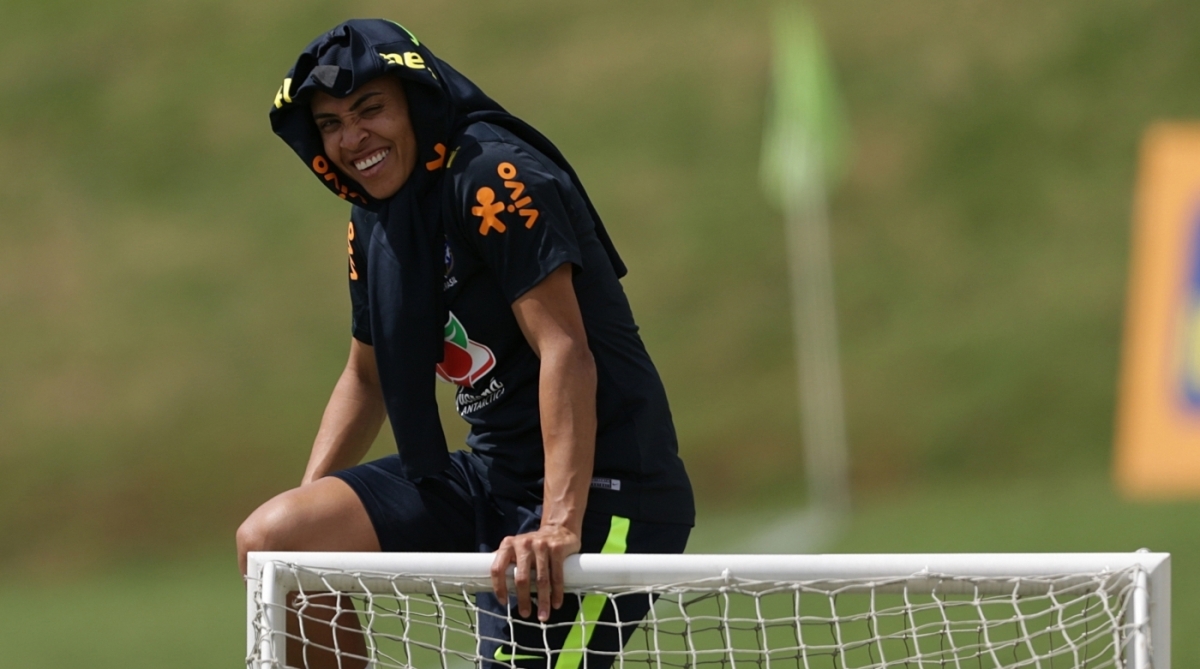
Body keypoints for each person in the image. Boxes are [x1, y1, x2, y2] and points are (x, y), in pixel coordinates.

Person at [236, 18, 694, 669]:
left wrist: (559, 523)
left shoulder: (494, 177)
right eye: (332, 124)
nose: (352, 138)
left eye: (370, 110)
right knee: (272, 538)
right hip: (492, 476)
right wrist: (302, 529)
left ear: (417, 103)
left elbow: (565, 348)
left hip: (605, 493)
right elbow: (364, 378)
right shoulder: (372, 220)